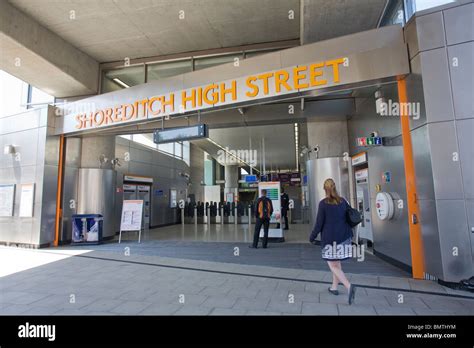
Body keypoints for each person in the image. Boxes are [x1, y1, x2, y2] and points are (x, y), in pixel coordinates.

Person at [309, 178, 356, 305]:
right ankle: (334, 287)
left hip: (330, 239)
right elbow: (350, 215)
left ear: (325, 189)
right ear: (335, 187)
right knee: (336, 264)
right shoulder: (343, 201)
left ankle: (349, 286)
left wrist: (312, 237)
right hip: (344, 236)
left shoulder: (323, 204)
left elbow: (319, 224)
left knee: (332, 265)